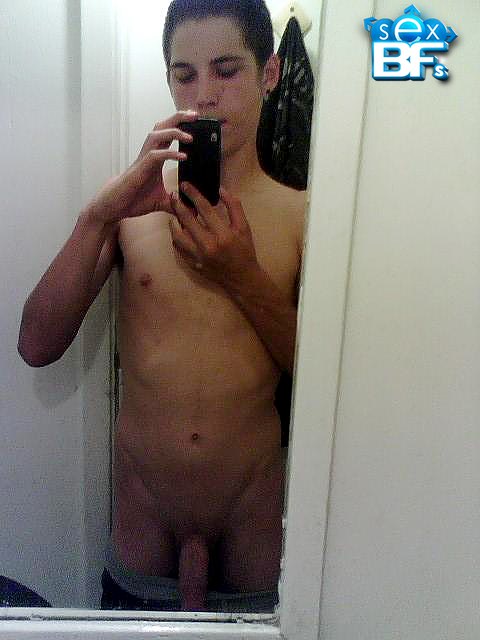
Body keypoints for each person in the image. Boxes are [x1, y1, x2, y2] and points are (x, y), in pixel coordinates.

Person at [18, 0, 305, 612]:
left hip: (252, 522)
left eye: (227, 70)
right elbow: (37, 346)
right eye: (184, 74)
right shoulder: (133, 209)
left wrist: (242, 276)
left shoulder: (303, 215)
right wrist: (95, 218)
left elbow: (326, 388)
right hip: (143, 521)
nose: (204, 96)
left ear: (270, 73)